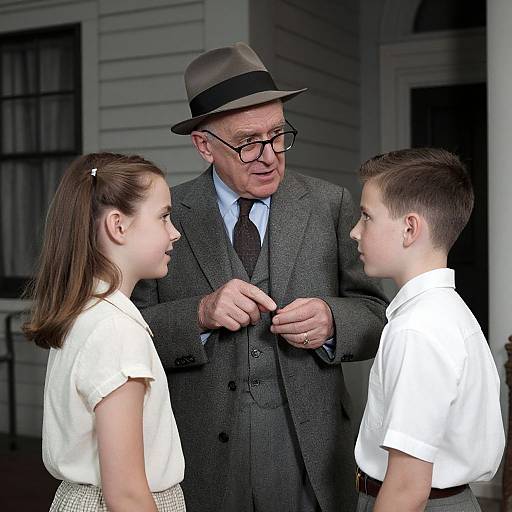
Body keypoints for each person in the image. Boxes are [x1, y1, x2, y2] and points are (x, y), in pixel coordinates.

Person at [132, 42, 388, 512]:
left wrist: (333, 320)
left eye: (277, 136)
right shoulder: (167, 216)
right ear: (204, 145)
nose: (268, 156)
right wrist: (200, 314)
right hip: (198, 457)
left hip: (310, 455)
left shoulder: (330, 204)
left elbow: (375, 314)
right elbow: (130, 332)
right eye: (248, 142)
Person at [23, 153, 186, 511]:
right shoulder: (117, 331)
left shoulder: (89, 311)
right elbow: (126, 494)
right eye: (163, 216)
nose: (174, 232)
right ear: (118, 226)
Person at [351, 148, 505, 512]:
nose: (355, 232)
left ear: (409, 228)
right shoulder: (447, 311)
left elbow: (407, 487)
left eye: (366, 217)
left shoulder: (416, 330)